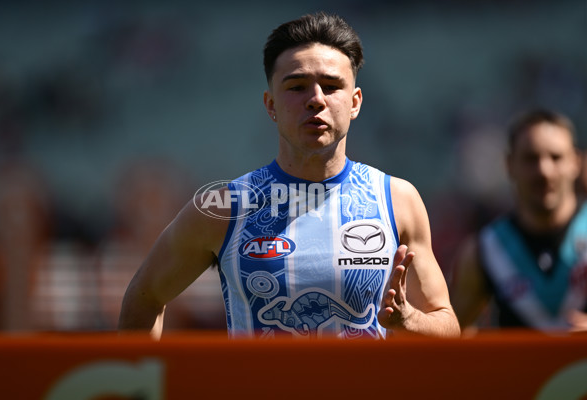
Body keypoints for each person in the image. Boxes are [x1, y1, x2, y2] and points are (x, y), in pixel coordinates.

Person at [119, 12, 460, 339]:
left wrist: (409, 319)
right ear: (270, 105)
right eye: (297, 87)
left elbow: (447, 324)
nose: (315, 100)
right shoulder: (225, 208)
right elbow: (144, 298)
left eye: (331, 86)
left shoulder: (398, 200)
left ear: (355, 102)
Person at [451, 109, 587, 333]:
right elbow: (452, 334)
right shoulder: (486, 250)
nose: (544, 171)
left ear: (575, 162)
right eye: (530, 158)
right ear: (509, 164)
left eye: (556, 157)